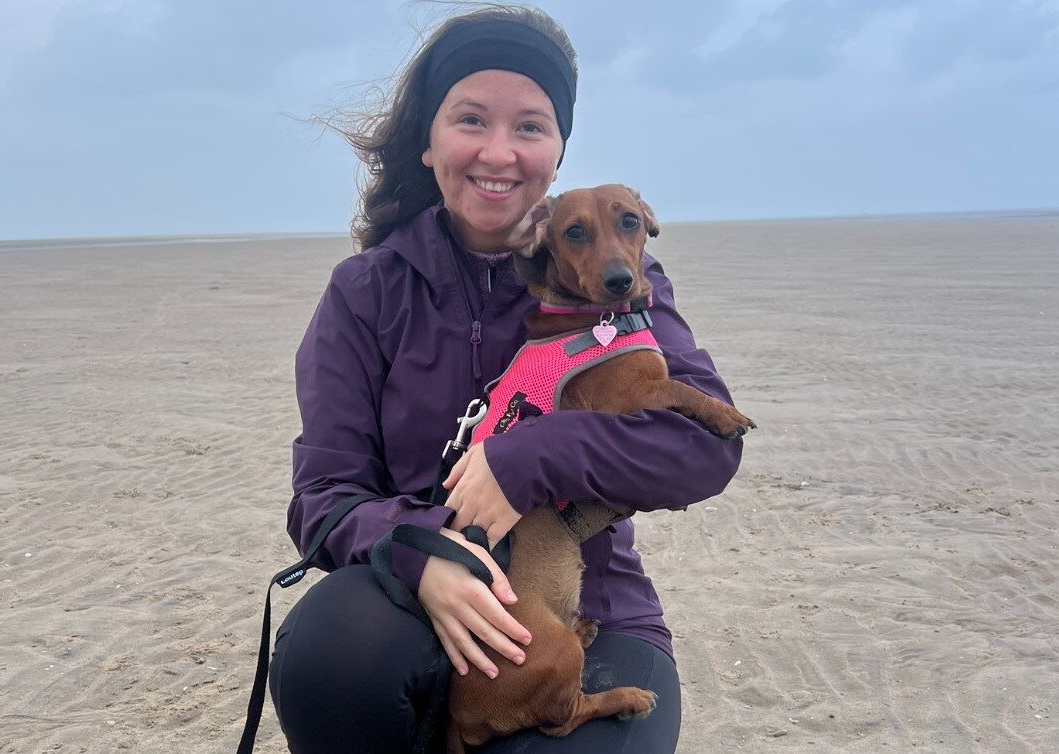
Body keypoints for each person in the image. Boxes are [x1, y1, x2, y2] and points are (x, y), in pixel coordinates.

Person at [267, 5, 743, 753]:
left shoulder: (618, 282)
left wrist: (526, 459)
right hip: (416, 603)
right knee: (331, 662)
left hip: (590, 609)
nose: (499, 152)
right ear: (428, 142)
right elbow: (324, 499)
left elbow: (708, 449)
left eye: (529, 126)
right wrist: (424, 553)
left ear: (558, 151)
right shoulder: (366, 292)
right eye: (469, 120)